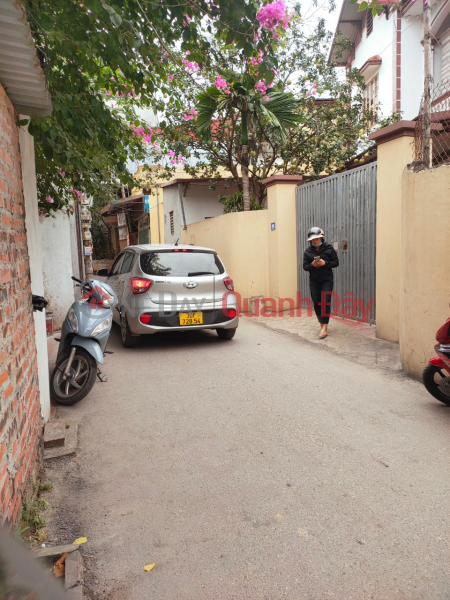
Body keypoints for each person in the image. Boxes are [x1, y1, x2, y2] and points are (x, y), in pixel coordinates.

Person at [303, 227, 339, 338]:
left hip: (327, 279)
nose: (315, 241)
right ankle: (322, 324)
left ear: (322, 238)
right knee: (317, 302)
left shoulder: (329, 249)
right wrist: (312, 265)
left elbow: (336, 262)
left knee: (325, 302)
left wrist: (325, 263)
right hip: (314, 280)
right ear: (310, 241)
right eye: (313, 239)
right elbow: (305, 267)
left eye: (317, 239)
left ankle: (324, 328)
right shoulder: (307, 252)